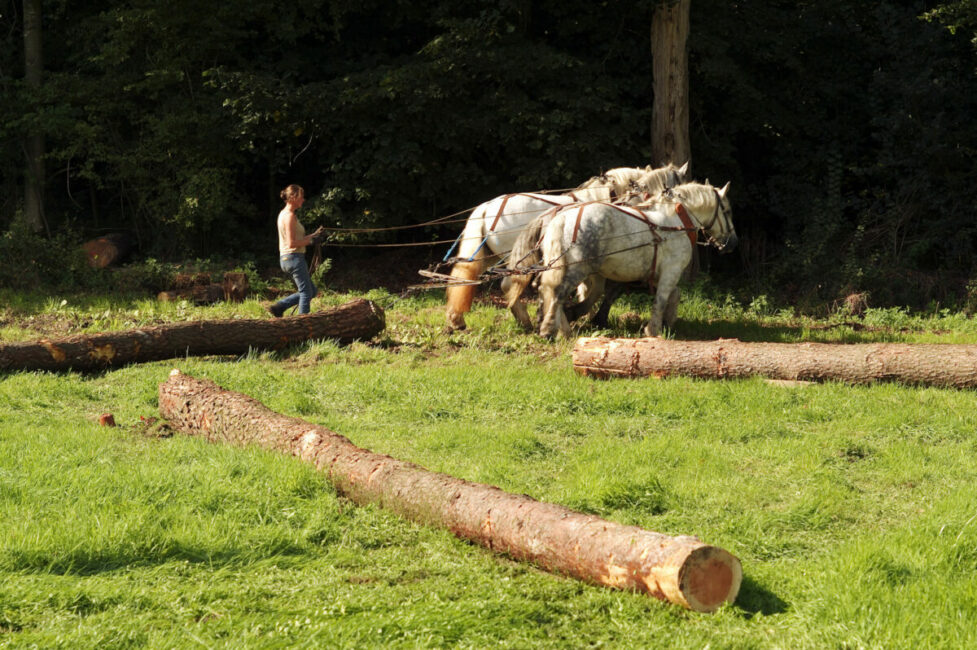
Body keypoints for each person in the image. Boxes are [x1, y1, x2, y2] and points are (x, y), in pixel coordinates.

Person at [268, 184, 325, 317]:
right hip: (293, 258)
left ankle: (279, 307)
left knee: (312, 291)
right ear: (293, 197)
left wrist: (314, 235)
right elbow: (292, 243)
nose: (303, 199)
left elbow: (297, 238)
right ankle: (302, 324)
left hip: (289, 258)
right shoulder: (289, 216)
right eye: (301, 196)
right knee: (306, 292)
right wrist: (311, 242)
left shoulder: (284, 214)